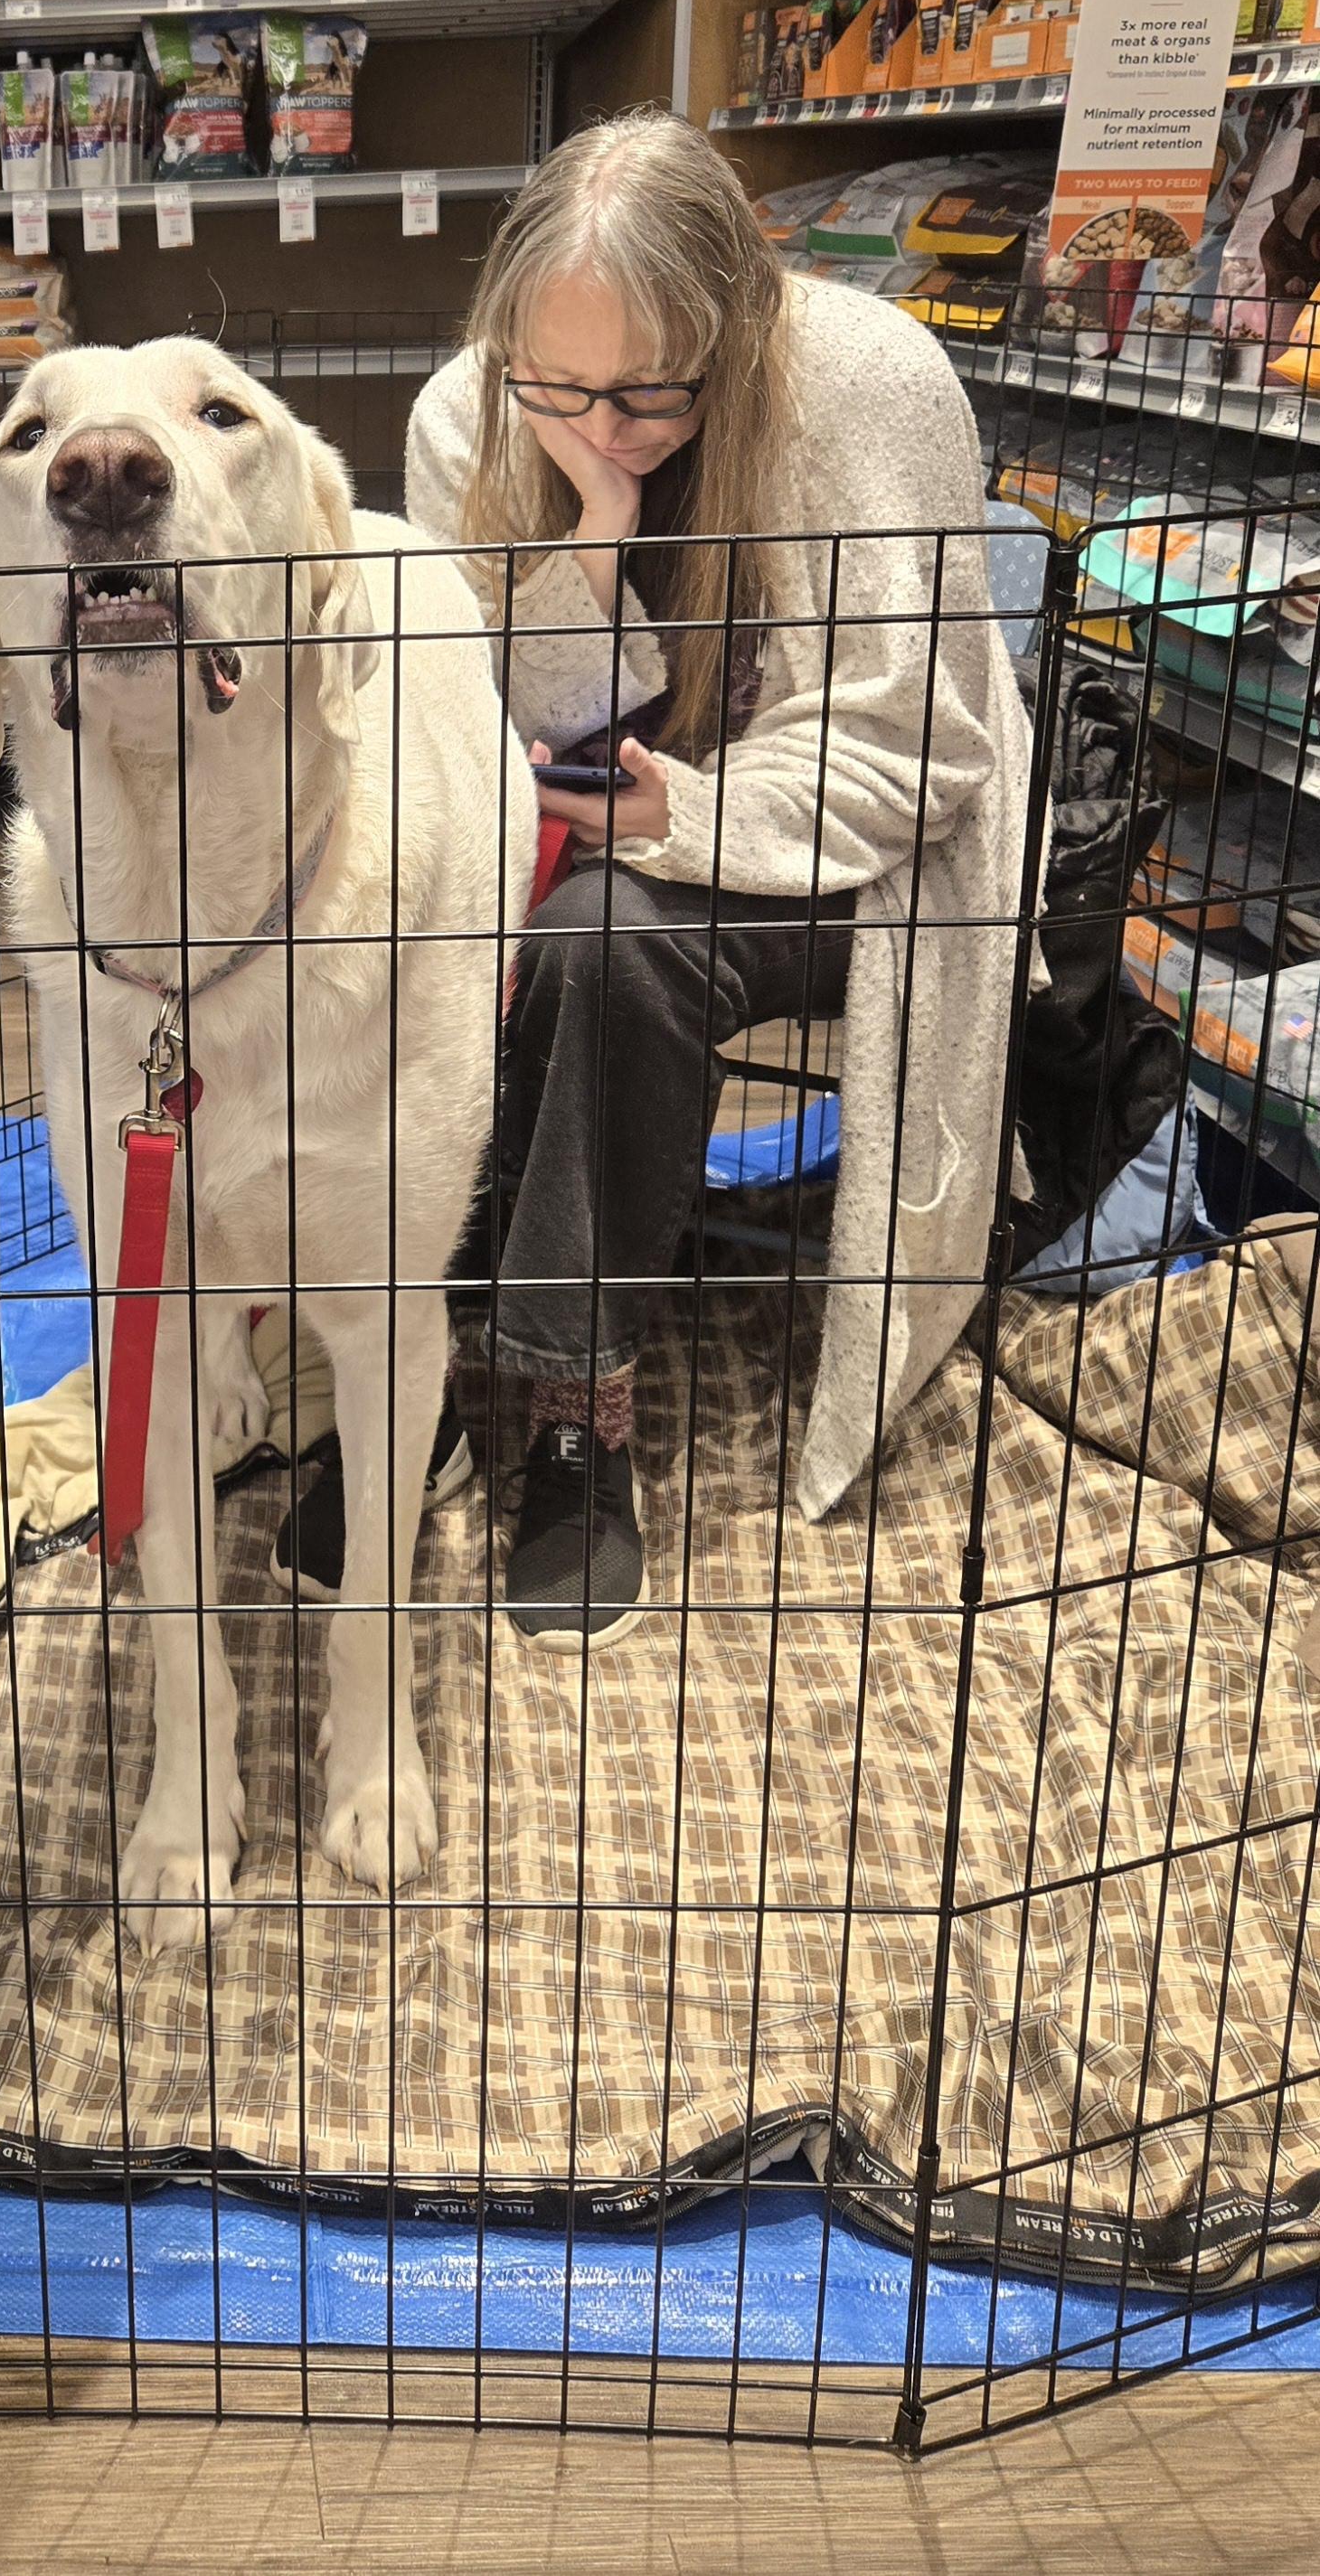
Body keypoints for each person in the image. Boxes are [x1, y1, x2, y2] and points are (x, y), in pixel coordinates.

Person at [367, 109, 1031, 1641]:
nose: (606, 422)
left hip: (850, 862)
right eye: (561, 386)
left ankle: (565, 1411)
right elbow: (484, 724)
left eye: (651, 392)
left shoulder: (864, 384)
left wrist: (679, 817)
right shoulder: (471, 413)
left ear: (736, 326)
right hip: (577, 845)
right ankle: (414, 1374)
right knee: (441, 932)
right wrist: (593, 530)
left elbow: (922, 750)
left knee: (611, 941)